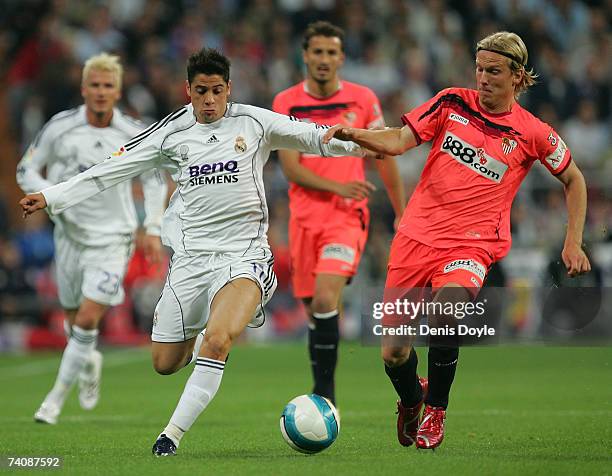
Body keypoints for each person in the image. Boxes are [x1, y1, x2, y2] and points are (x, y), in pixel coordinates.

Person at [20, 48, 366, 456]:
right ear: (188, 90)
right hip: (190, 262)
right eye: (200, 91)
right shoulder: (170, 132)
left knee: (218, 341)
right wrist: (51, 195)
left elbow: (315, 135)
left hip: (244, 255)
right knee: (165, 362)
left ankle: (171, 436)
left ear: (228, 89)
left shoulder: (254, 121)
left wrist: (363, 143)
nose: (208, 100)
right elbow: (107, 170)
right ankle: (206, 329)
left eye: (216, 91)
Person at [323, 31, 591, 450]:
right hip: (416, 236)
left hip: (472, 244)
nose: (483, 78)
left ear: (518, 76)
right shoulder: (451, 102)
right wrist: (355, 135)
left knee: (447, 311)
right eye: (479, 68)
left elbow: (574, 179)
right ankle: (414, 399)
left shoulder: (533, 133)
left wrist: (572, 241)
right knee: (393, 352)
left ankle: (436, 412)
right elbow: (397, 140)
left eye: (494, 71)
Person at [16, 53, 167, 425]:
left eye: (108, 86)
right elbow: (26, 169)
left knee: (86, 320)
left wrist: (153, 228)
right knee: (74, 322)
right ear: (84, 89)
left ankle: (53, 400)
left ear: (118, 91)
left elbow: (154, 177)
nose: (101, 92)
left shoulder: (133, 133)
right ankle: (88, 359)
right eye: (95, 85)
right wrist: (52, 194)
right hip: (68, 235)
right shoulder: (60, 127)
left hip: (113, 239)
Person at [272, 21, 405, 405]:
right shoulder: (286, 102)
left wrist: (402, 212)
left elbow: (384, 152)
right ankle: (322, 387)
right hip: (303, 219)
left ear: (342, 58)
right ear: (306, 56)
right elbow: (291, 168)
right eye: (318, 52)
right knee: (315, 310)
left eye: (332, 52)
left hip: (347, 217)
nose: (325, 59)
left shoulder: (363, 99)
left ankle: (324, 395)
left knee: (326, 299)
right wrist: (335, 185)